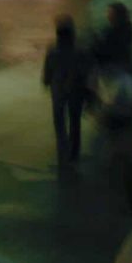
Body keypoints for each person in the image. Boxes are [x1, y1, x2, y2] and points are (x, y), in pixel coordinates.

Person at [42, 15, 91, 166]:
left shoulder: (53, 50)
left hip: (58, 92)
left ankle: (63, 151)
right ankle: (74, 152)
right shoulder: (80, 50)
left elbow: (48, 70)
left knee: (59, 121)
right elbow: (86, 71)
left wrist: (46, 81)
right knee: (75, 122)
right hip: (76, 92)